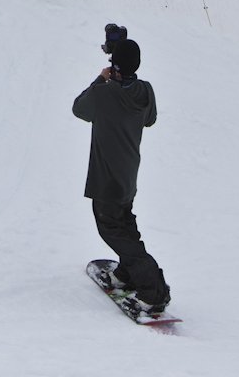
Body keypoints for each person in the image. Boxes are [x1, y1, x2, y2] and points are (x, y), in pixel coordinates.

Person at [72, 23, 171, 315]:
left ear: (114, 65)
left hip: (106, 179)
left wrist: (101, 81)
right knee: (125, 225)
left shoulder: (104, 95)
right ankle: (127, 273)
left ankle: (154, 291)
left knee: (112, 230)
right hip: (128, 174)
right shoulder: (145, 91)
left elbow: (79, 108)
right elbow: (149, 119)